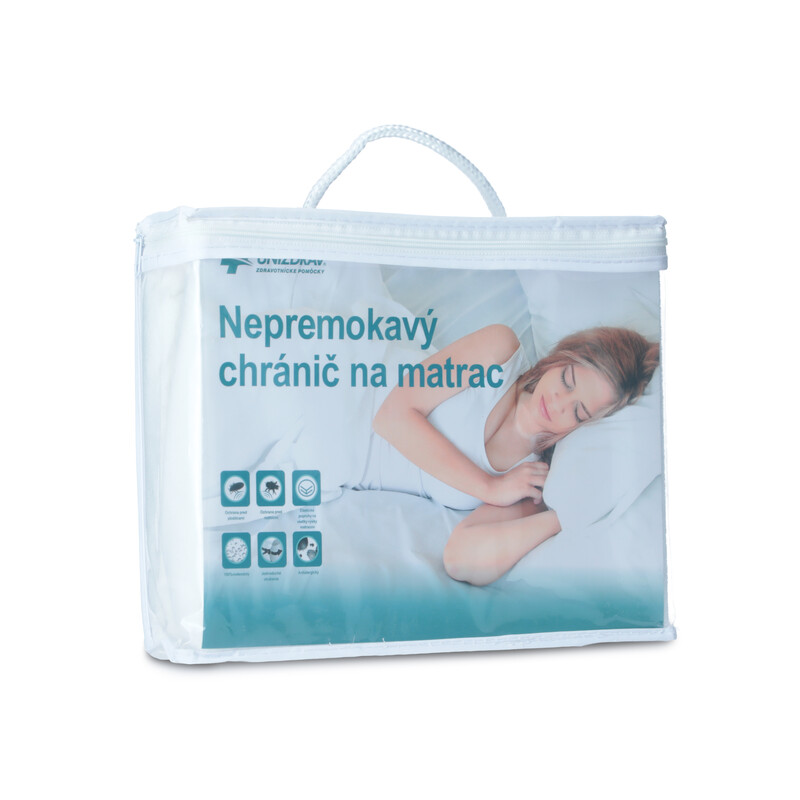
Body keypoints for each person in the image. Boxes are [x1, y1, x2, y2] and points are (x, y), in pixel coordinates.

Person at [367, 323, 660, 586]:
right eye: (567, 380)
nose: (558, 403)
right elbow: (390, 417)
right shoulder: (500, 351)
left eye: (577, 412)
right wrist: (490, 487)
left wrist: (563, 517)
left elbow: (461, 559)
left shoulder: (530, 477)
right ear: (561, 359)